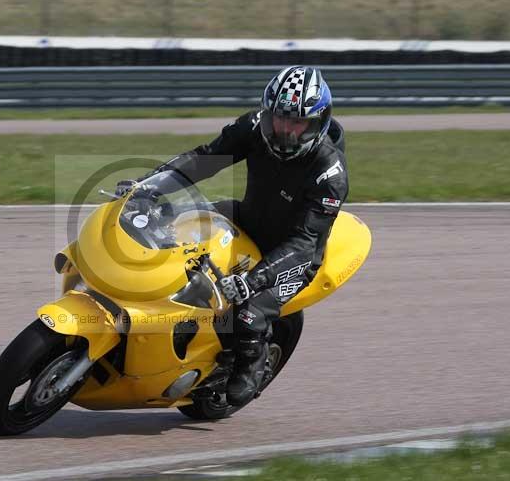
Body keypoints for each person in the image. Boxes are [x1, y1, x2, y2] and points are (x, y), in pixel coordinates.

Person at [116, 66, 349, 406]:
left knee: (247, 314)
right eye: (278, 120)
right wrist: (148, 187)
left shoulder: (330, 175)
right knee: (170, 221)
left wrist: (255, 280)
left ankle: (252, 363)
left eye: (296, 123)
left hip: (293, 253)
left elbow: (303, 242)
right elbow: (205, 160)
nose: (285, 131)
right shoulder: (254, 127)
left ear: (318, 123)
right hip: (249, 217)